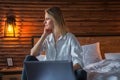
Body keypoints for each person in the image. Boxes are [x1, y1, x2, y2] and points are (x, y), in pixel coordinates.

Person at [21, 7, 87, 80]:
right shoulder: (48, 38)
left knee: (81, 73)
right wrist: (44, 35)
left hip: (64, 73)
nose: (44, 22)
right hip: (47, 73)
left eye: (47, 19)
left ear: (55, 20)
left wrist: (63, 71)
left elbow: (79, 62)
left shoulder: (70, 38)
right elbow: (33, 53)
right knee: (28, 58)